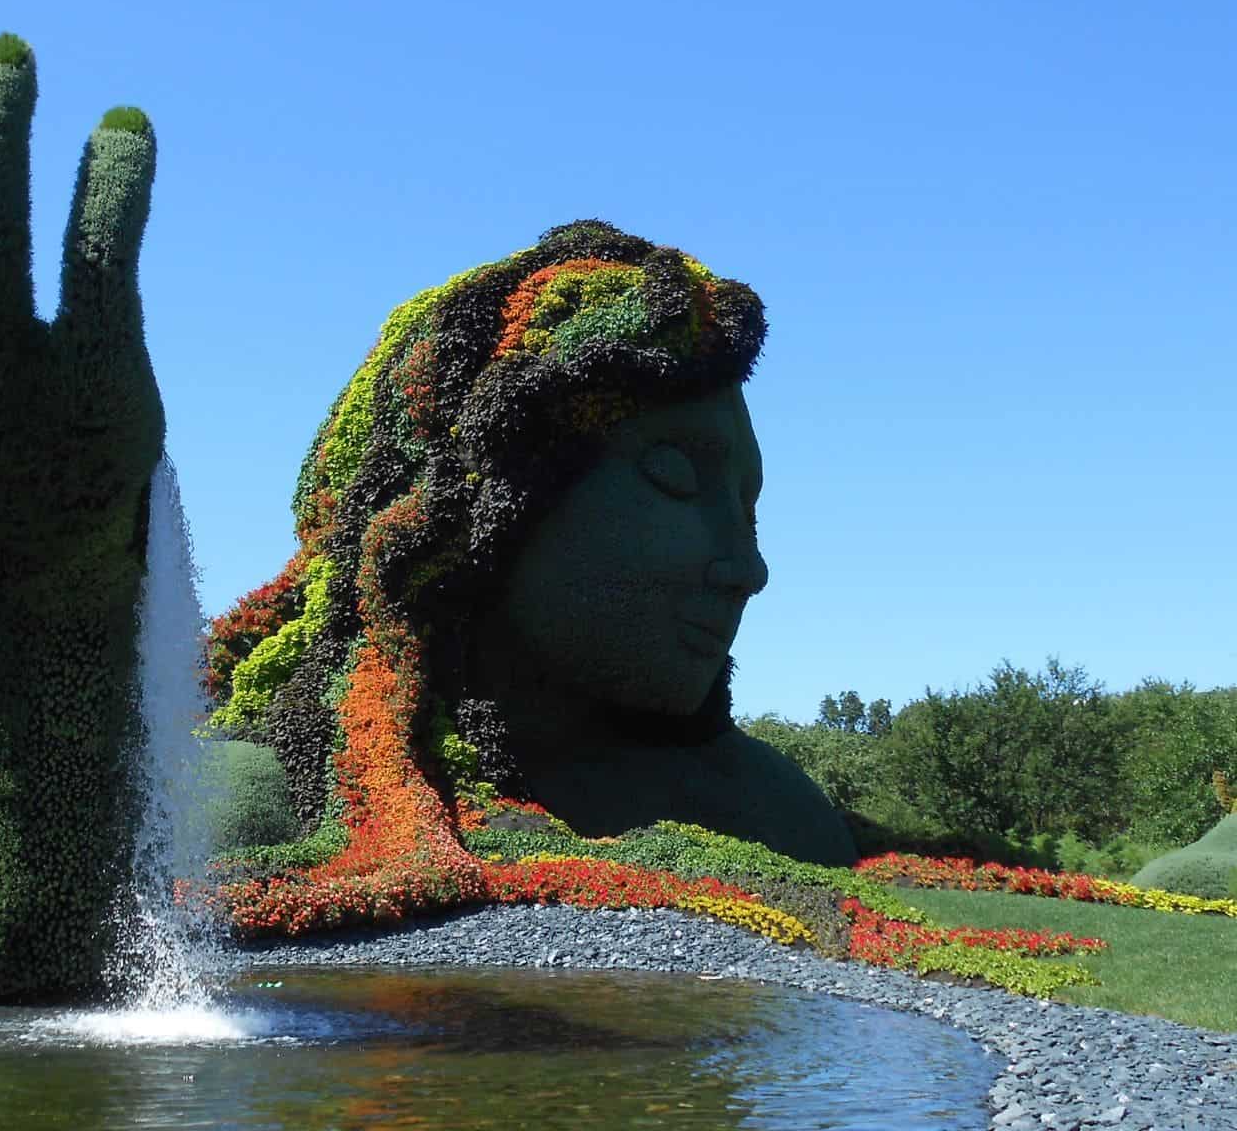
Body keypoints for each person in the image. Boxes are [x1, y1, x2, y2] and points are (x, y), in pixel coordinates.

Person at [205, 219, 857, 876]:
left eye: (748, 513)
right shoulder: (242, 803)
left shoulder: (774, 815)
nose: (748, 569)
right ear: (472, 506)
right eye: (675, 477)